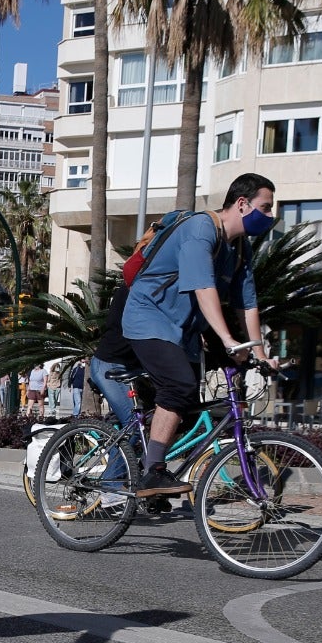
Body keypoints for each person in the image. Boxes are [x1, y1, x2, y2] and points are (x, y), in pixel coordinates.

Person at [122, 172, 281, 497]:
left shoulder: (239, 249)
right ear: (242, 203)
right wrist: (227, 338)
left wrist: (261, 356)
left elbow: (247, 304)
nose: (270, 216)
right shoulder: (200, 229)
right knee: (179, 384)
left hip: (182, 332)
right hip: (148, 319)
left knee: (191, 394)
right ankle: (153, 472)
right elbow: (204, 287)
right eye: (266, 208)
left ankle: (152, 464)